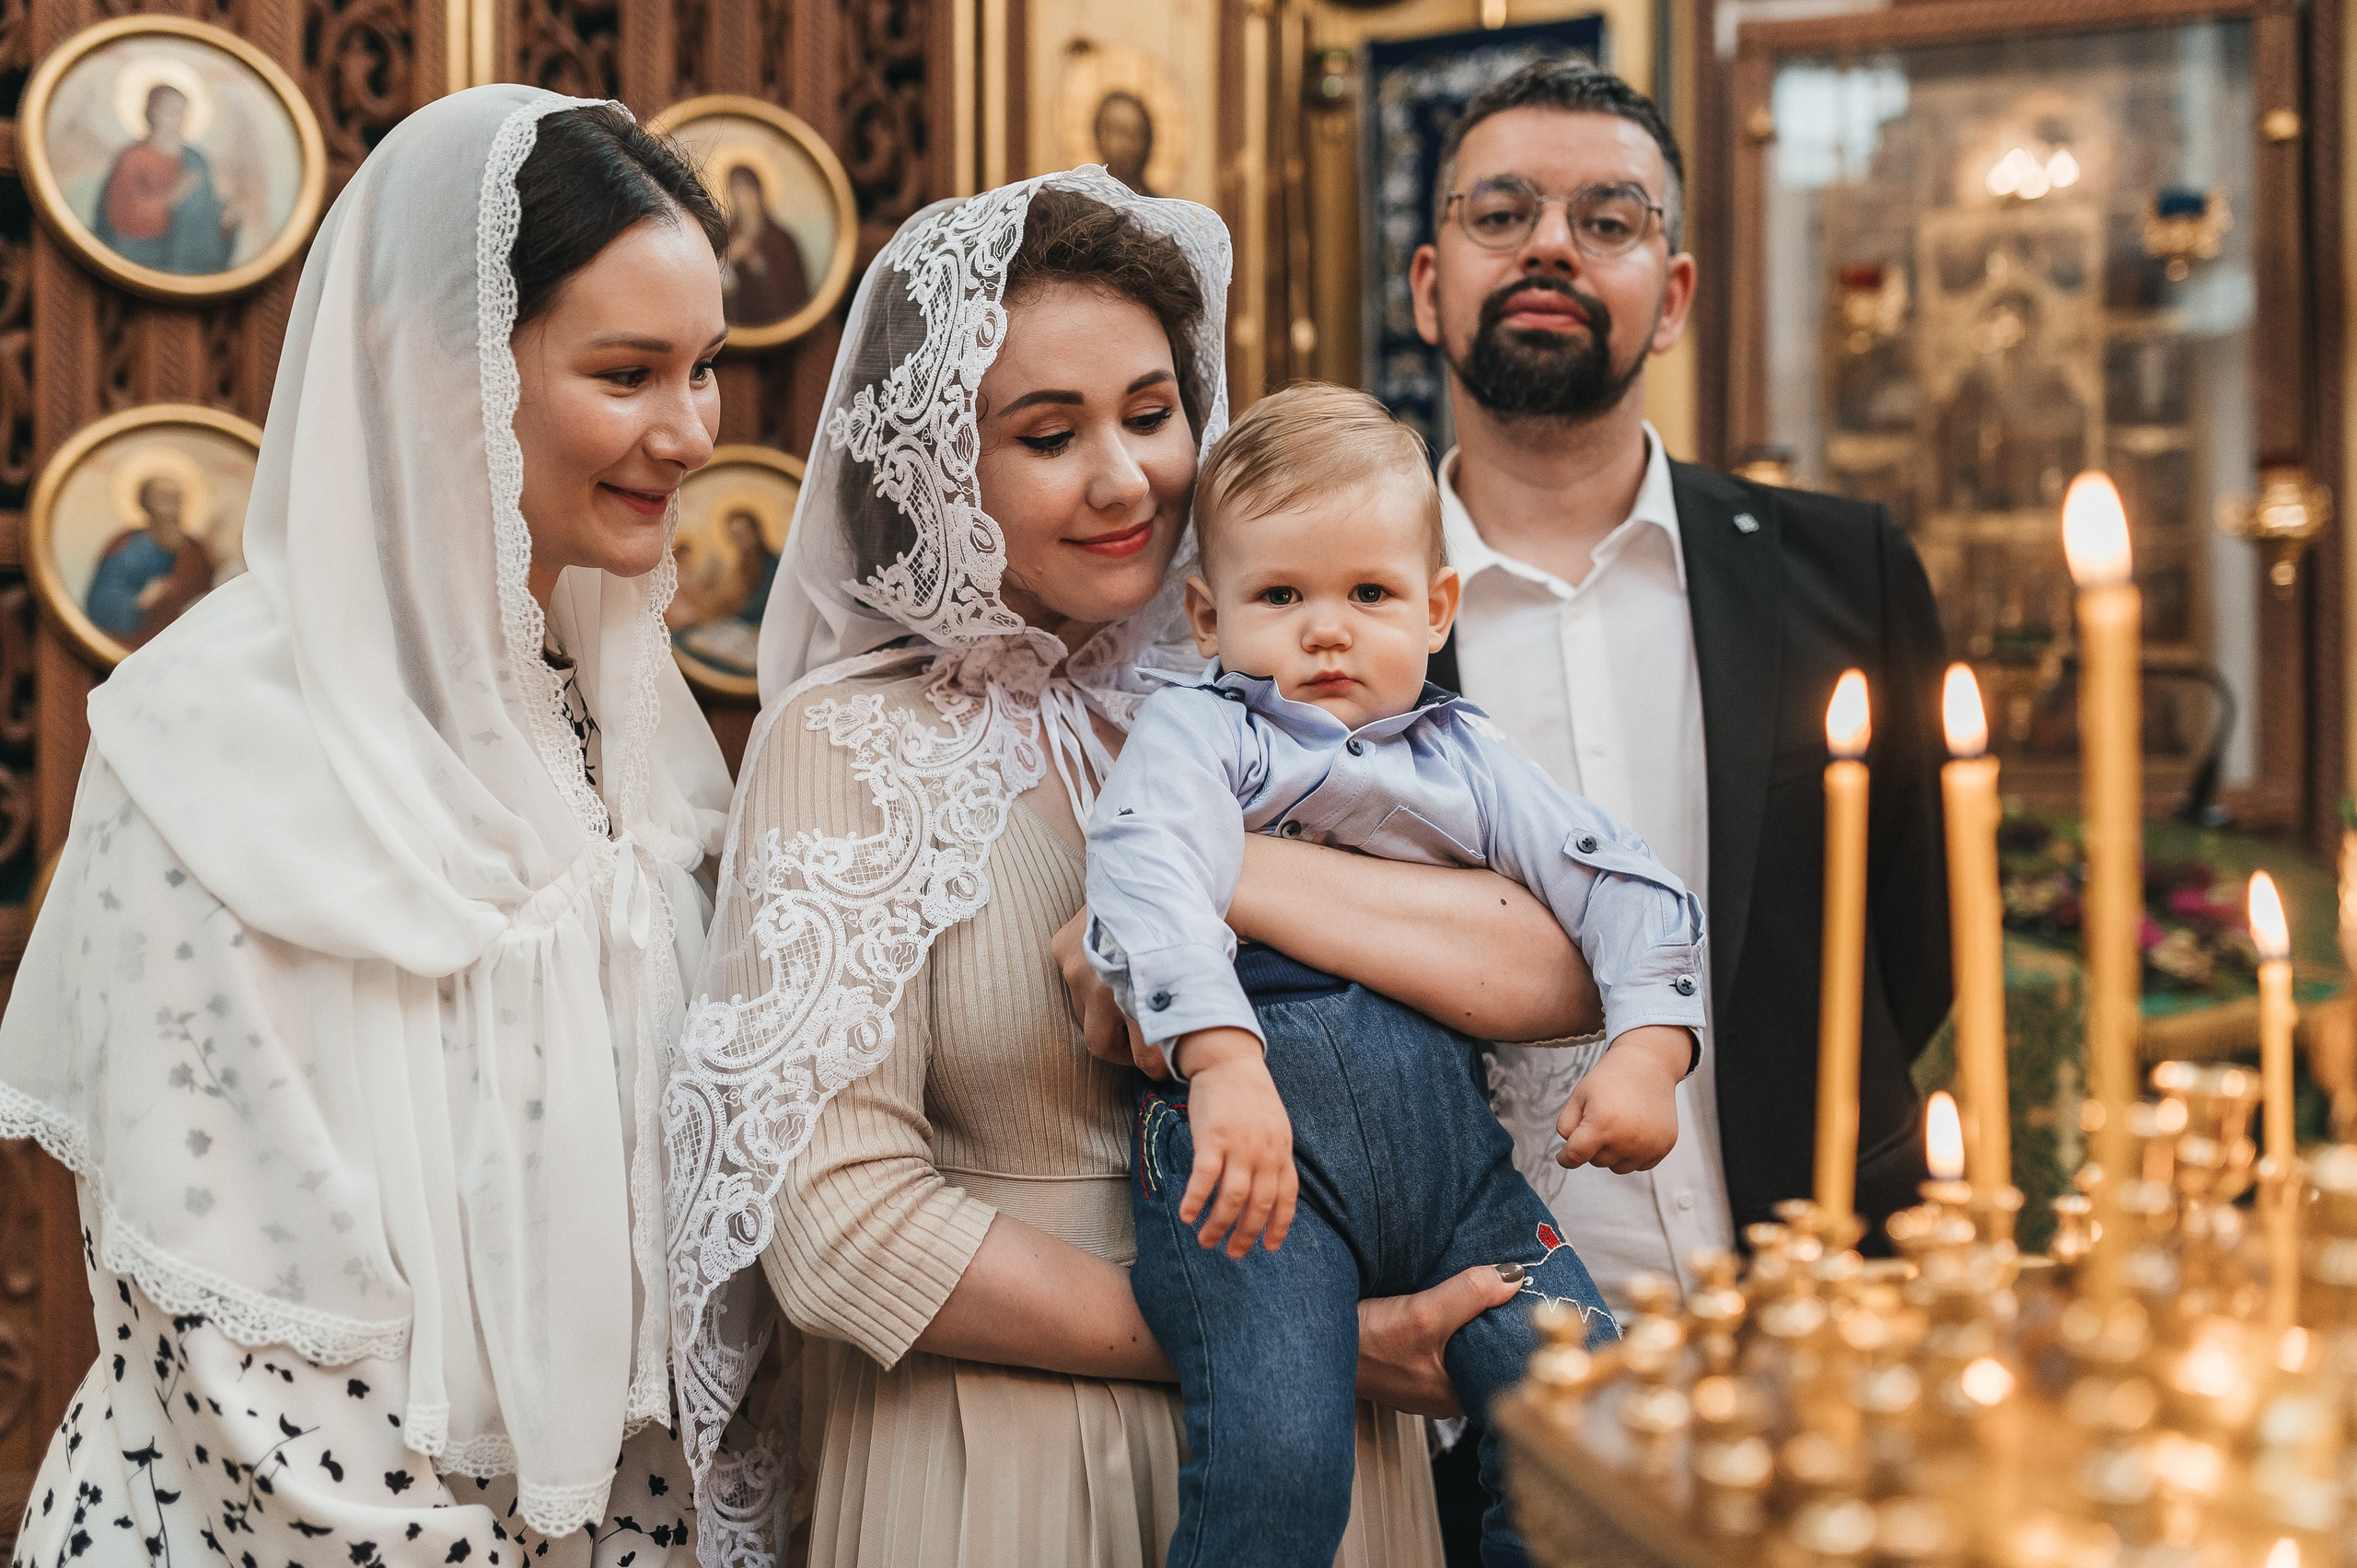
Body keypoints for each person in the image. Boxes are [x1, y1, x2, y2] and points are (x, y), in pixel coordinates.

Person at [664, 173, 1608, 1568]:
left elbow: (1555, 966)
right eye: (1050, 435)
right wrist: (1305, 1342)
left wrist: (1219, 882)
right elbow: (832, 1223)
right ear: (941, 465)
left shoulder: (1279, 690)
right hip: (1010, 1462)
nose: (1125, 478)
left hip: (1341, 1475)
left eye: (1152, 414)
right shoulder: (850, 741)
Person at [2, 87, 736, 1568]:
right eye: (629, 372)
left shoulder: (630, 718)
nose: (692, 432)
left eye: (707, 368)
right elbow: (250, 1373)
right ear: (441, 368)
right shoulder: (217, 751)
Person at [1403, 56, 1951, 1556]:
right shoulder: (1326, 622)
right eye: (1501, 213)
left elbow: (1916, 943)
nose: (1551, 246)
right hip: (1487, 1370)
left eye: (1608, 219)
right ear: (1430, 284)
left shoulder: (1847, 573)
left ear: (1677, 291)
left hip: (1821, 1322)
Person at [1084, 382, 1703, 1568]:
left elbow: (1623, 884)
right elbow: (1144, 868)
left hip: (1456, 1175)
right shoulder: (1199, 735)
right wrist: (1220, 1060)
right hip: (1255, 1164)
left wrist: (1646, 1050)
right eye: (1280, 595)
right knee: (1279, 1459)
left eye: (1368, 593)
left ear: (1434, 607)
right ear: (1208, 616)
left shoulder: (1466, 759)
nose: (1326, 630)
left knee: (1596, 1422)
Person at [93, 83, 237, 274]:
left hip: (189, 255)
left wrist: (224, 218)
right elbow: (122, 213)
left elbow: (205, 209)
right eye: (172, 112)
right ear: (153, 113)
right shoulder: (132, 158)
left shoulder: (196, 160)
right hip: (144, 252)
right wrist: (171, 198)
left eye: (182, 112)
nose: (179, 119)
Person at [85, 472, 214, 645]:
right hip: (136, 642)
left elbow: (210, 594)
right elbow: (99, 602)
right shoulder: (126, 545)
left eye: (176, 497)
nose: (171, 503)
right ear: (146, 502)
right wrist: (140, 601)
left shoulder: (196, 551)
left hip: (184, 642)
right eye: (163, 496)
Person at [720, 163, 809, 325]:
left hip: (775, 322)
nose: (743, 198)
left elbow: (794, 290)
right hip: (737, 321)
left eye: (747, 190)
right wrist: (727, 261)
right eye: (737, 191)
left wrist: (759, 264)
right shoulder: (726, 236)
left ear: (759, 192)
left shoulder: (781, 239)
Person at [1093, 91, 1155, 197]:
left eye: (1134, 134)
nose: (1125, 144)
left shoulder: (1157, 205)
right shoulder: (1082, 200)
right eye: (1117, 132)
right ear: (1098, 135)